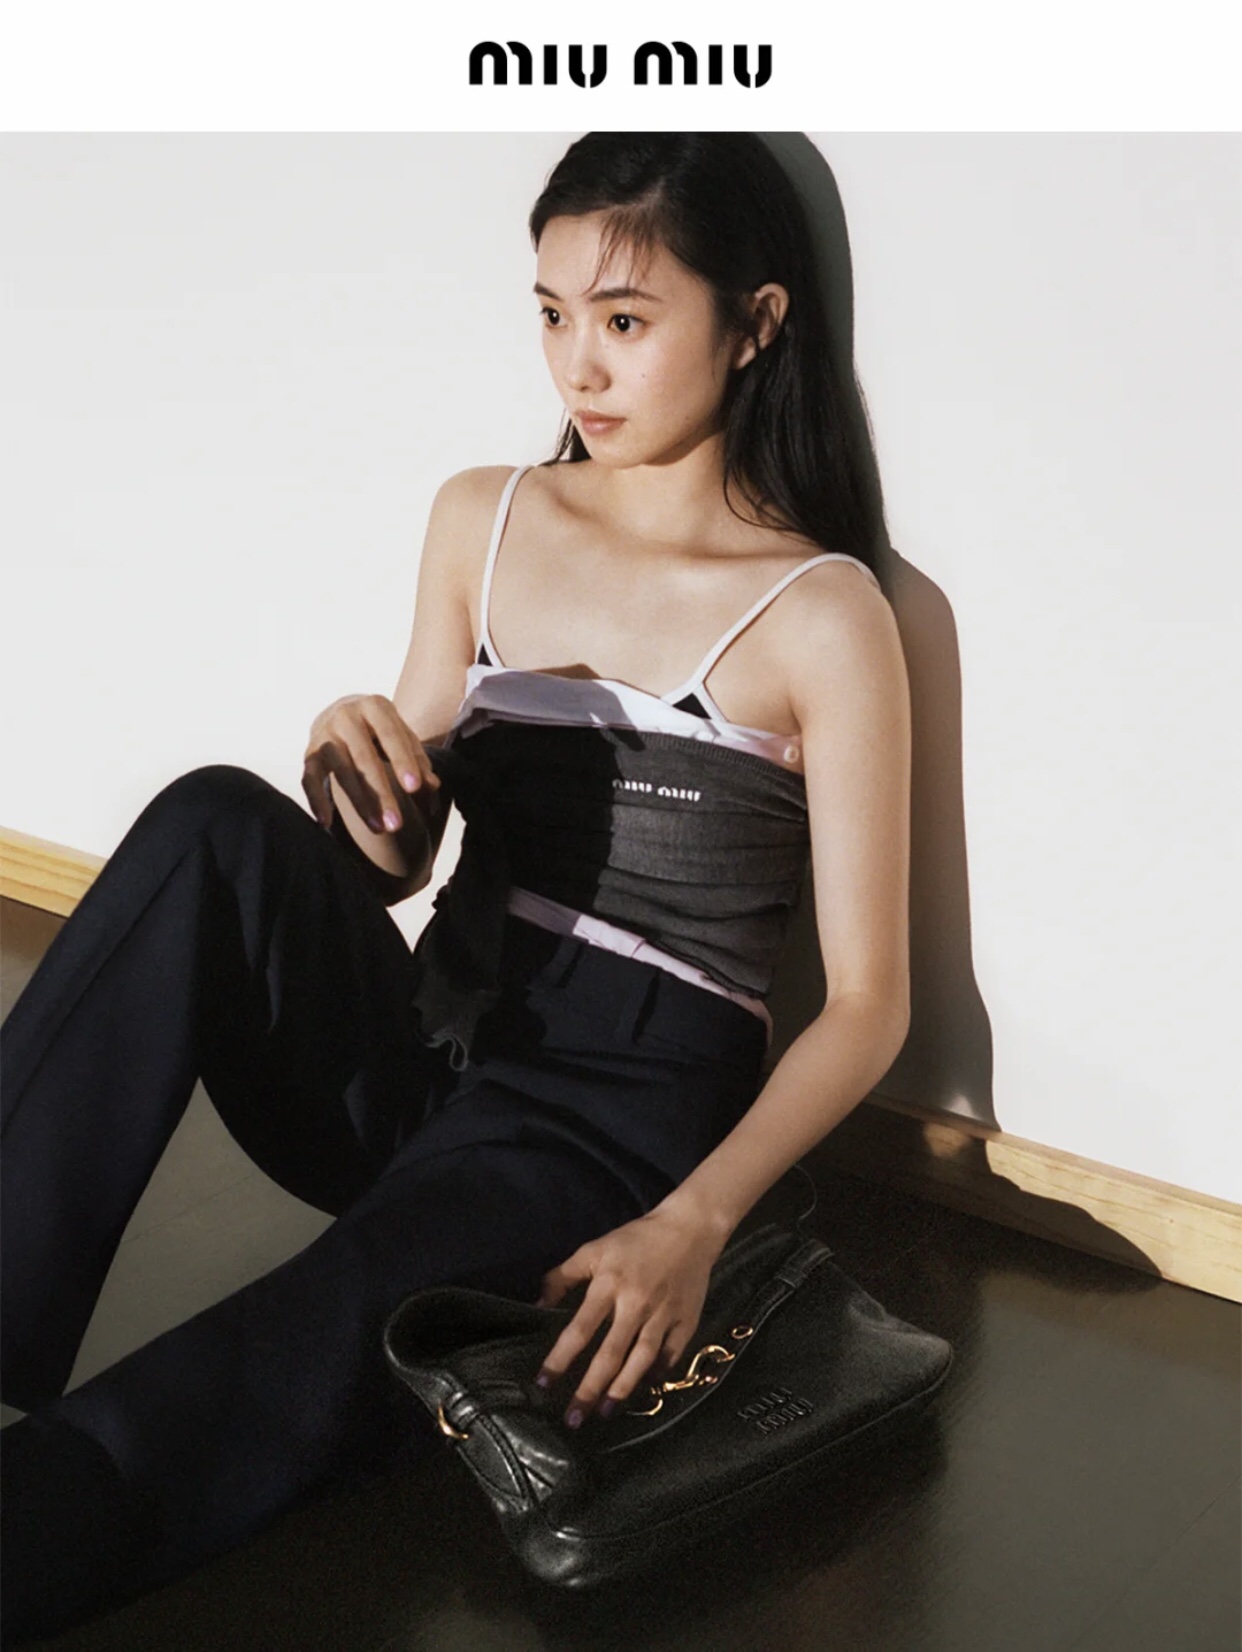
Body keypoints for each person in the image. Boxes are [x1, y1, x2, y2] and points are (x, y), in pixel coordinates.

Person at [0, 132, 911, 1641]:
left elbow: (869, 1004)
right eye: (550, 313)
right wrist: (358, 775)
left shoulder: (820, 613)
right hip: (436, 1049)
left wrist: (691, 1225)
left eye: (625, 318)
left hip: (604, 1129)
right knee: (216, 818)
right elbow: (392, 863)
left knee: (313, 1329)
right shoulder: (484, 515)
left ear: (755, 324)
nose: (578, 364)